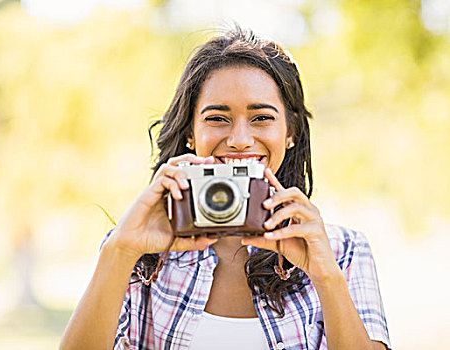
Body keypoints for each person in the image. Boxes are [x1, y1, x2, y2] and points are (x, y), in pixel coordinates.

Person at [60, 28, 391, 350]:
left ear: (290, 133)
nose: (240, 140)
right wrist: (120, 251)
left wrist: (325, 276)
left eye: (261, 117)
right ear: (190, 133)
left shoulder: (343, 251)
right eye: (217, 118)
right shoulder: (134, 249)